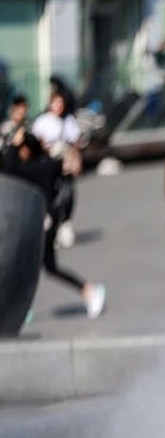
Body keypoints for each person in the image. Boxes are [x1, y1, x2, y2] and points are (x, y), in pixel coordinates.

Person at [1, 130, 105, 318]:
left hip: (43, 225)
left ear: (27, 149)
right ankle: (21, 309)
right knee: (40, 267)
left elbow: (10, 167)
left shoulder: (34, 168)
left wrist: (13, 146)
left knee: (43, 267)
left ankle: (88, 290)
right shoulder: (46, 164)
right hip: (42, 223)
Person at [31, 92, 82, 248]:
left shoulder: (68, 121)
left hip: (65, 163)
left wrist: (76, 160)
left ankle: (65, 224)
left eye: (61, 103)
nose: (59, 106)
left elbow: (74, 143)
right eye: (56, 103)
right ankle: (51, 226)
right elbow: (36, 143)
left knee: (67, 193)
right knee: (50, 194)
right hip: (49, 163)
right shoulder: (43, 121)